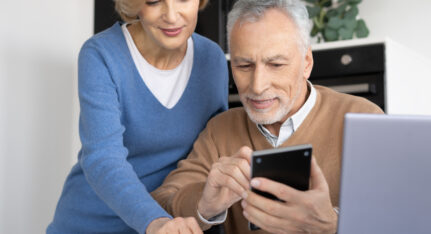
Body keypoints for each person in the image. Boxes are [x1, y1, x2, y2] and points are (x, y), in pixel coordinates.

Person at [150, 0, 384, 233]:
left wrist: (334, 225)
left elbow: (402, 218)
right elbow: (159, 204)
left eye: (276, 64)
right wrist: (204, 203)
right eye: (244, 66)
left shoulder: (364, 120)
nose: (257, 86)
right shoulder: (220, 130)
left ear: (306, 63)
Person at [47, 0, 228, 233]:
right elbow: (103, 158)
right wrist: (155, 221)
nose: (171, 16)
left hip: (172, 222)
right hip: (95, 223)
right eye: (153, 1)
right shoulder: (101, 55)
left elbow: (211, 153)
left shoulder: (212, 59)